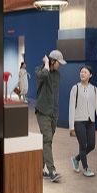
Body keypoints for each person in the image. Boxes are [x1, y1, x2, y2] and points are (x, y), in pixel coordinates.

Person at [68, 66, 97, 178]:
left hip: (90, 121)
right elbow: (71, 107)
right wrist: (71, 126)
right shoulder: (75, 88)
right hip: (79, 121)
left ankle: (76, 158)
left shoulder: (94, 89)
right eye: (81, 72)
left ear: (90, 75)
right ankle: (86, 168)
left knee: (92, 145)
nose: (82, 73)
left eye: (85, 72)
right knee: (83, 145)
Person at [35, 50, 66, 182]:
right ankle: (52, 171)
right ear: (52, 61)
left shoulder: (57, 75)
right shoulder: (39, 70)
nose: (61, 65)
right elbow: (42, 77)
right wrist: (46, 64)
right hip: (42, 112)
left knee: (47, 142)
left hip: (54, 113)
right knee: (47, 139)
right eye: (59, 62)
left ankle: (39, 169)